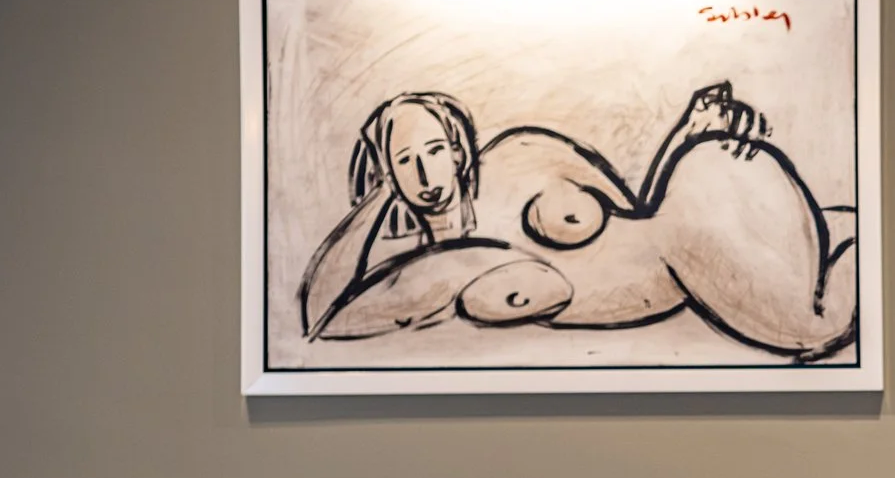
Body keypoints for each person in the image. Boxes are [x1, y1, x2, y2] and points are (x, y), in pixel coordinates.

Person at [297, 83, 856, 359]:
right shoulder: (445, 267)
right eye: (404, 161)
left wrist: (689, 133)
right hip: (713, 246)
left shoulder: (519, 152)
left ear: (458, 146)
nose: (425, 171)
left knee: (818, 323)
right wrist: (375, 197)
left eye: (436, 148)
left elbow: (639, 214)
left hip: (709, 193)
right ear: (388, 175)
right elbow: (321, 315)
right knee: (822, 318)